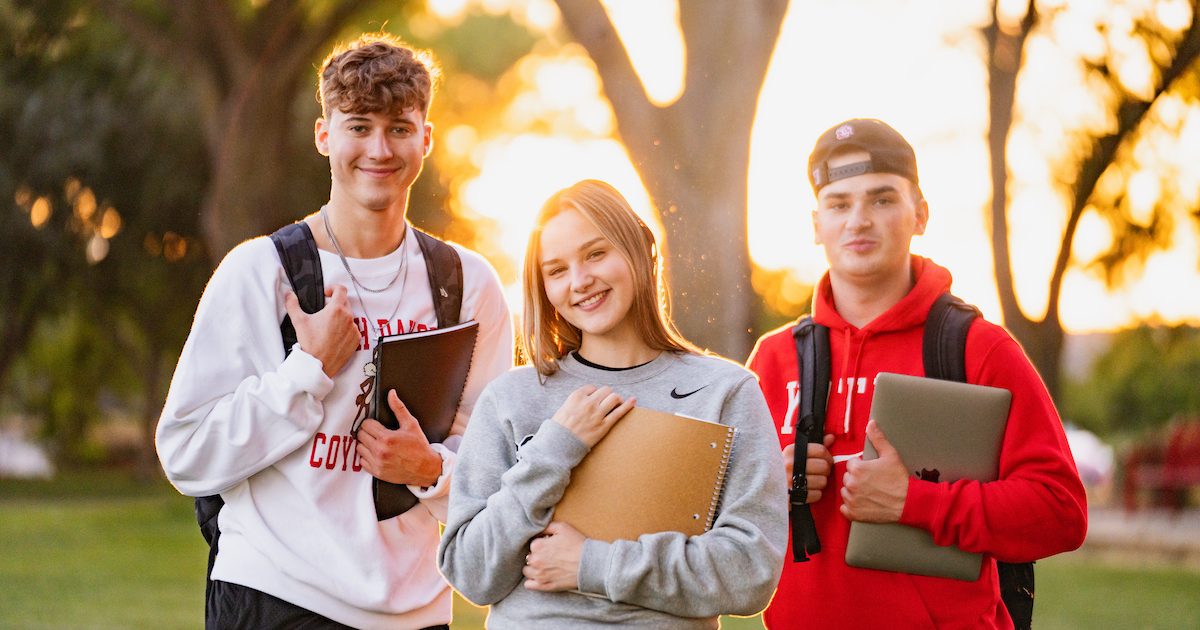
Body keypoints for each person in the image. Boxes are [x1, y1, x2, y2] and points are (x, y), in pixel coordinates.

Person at [156, 33, 513, 629]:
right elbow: (186, 452)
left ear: (426, 138)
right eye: (358, 126)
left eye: (399, 128)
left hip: (414, 611)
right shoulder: (262, 271)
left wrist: (426, 470)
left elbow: (496, 478)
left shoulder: (467, 286)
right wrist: (309, 370)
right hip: (274, 596)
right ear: (325, 136)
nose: (379, 148)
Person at [746, 118, 1087, 629]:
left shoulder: (978, 348)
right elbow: (713, 516)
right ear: (816, 225)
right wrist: (768, 482)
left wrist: (915, 501)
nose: (858, 219)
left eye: (882, 199)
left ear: (920, 214)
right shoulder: (773, 360)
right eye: (839, 204)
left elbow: (1060, 511)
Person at [438, 179, 788, 628]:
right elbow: (470, 573)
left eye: (596, 254)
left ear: (642, 247)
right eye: (557, 270)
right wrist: (554, 449)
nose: (580, 282)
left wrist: (592, 564)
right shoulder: (512, 398)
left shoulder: (725, 391)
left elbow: (750, 572)